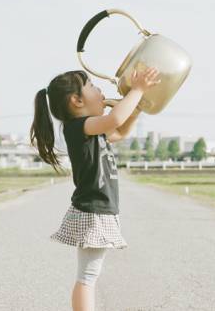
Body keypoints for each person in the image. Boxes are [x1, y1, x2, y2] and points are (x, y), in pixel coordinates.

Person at [30, 67, 161, 311]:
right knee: (88, 277)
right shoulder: (79, 127)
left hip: (98, 210)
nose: (100, 90)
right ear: (77, 101)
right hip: (92, 210)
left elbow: (120, 131)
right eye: (92, 87)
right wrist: (138, 90)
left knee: (90, 275)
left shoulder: (92, 129)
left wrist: (137, 106)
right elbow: (115, 120)